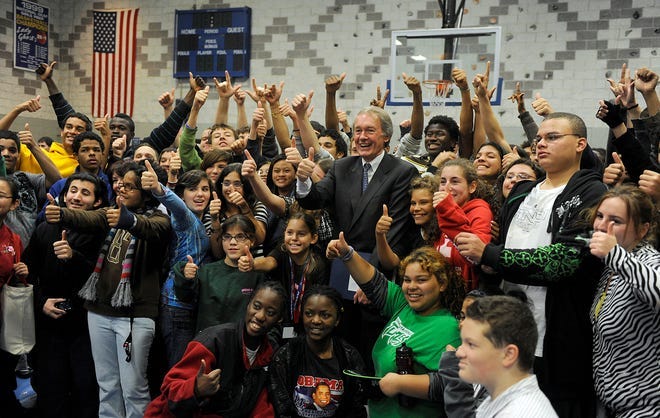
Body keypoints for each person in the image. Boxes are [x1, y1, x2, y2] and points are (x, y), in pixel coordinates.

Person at [455, 112, 608, 417]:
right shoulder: (523, 192)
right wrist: (489, 264)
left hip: (558, 336)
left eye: (553, 137)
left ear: (580, 144)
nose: (541, 143)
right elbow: (504, 252)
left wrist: (491, 255)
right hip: (511, 330)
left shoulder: (591, 192)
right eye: (539, 138)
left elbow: (565, 261)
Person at [44, 160, 171, 418]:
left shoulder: (160, 218)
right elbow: (89, 217)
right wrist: (62, 213)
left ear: (145, 191)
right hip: (99, 311)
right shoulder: (111, 213)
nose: (120, 190)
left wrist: (129, 220)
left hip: (134, 315)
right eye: (119, 184)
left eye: (129, 187)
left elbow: (150, 228)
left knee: (134, 389)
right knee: (107, 385)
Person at [296, 105, 418, 367]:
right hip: (340, 271)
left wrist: (370, 280)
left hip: (377, 272)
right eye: (358, 130)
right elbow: (314, 199)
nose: (361, 136)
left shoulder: (402, 172)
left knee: (370, 344)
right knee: (342, 341)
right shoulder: (341, 167)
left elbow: (394, 232)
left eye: (370, 131)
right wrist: (304, 181)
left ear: (386, 136)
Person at [328, 237, 465, 417]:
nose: (411, 287)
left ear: (442, 284)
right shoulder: (404, 304)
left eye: (421, 280)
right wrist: (347, 253)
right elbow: (373, 282)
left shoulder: (450, 328)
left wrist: (402, 383)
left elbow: (452, 384)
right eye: (407, 280)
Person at [26, 173, 108, 418]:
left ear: (97, 202)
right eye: (73, 190)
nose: (76, 197)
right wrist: (41, 302)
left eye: (85, 192)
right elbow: (28, 274)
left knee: (86, 391)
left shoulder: (104, 232)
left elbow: (104, 280)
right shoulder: (45, 228)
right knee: (51, 392)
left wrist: (74, 258)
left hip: (87, 324)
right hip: (50, 324)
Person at [144, 281, 287, 417]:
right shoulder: (214, 341)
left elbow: (261, 406)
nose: (260, 316)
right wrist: (195, 388)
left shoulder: (271, 353)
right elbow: (170, 390)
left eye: (270, 312)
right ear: (248, 304)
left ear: (279, 319)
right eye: (256, 306)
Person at [587, 185, 659, 417]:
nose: (601, 226)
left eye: (615, 221)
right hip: (614, 405)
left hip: (648, 407)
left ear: (642, 230)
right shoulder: (611, 266)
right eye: (600, 216)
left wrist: (615, 256)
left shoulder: (648, 262)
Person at [141, 165, 212, 367]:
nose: (200, 194)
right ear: (182, 195)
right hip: (176, 304)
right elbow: (176, 205)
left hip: (187, 302)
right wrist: (158, 188)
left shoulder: (202, 221)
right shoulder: (185, 219)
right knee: (178, 370)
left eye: (205, 189)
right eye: (193, 189)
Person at [268, 285, 367, 417]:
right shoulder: (286, 355)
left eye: (325, 315)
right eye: (309, 313)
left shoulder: (349, 356)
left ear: (337, 319)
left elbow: (355, 407)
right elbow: (281, 407)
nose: (315, 320)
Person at [456, 296, 558, 418]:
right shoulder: (500, 400)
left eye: (471, 344)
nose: (459, 352)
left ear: (508, 354)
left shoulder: (519, 413)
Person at [239, 212, 329, 334]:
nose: (294, 238)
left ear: (313, 238)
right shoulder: (281, 251)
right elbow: (270, 262)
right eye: (290, 233)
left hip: (308, 323)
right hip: (280, 321)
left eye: (301, 234)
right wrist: (253, 264)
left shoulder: (319, 265)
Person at [174, 214, 265, 333]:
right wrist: (186, 278)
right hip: (207, 343)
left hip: (240, 343)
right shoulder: (207, 271)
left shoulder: (258, 276)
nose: (232, 242)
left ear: (252, 240)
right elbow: (185, 297)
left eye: (240, 236)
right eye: (227, 237)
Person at [0, 177, 30, 416]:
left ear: (14, 204)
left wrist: (22, 272)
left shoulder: (13, 238)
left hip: (4, 319)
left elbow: (18, 283)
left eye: (1, 195)